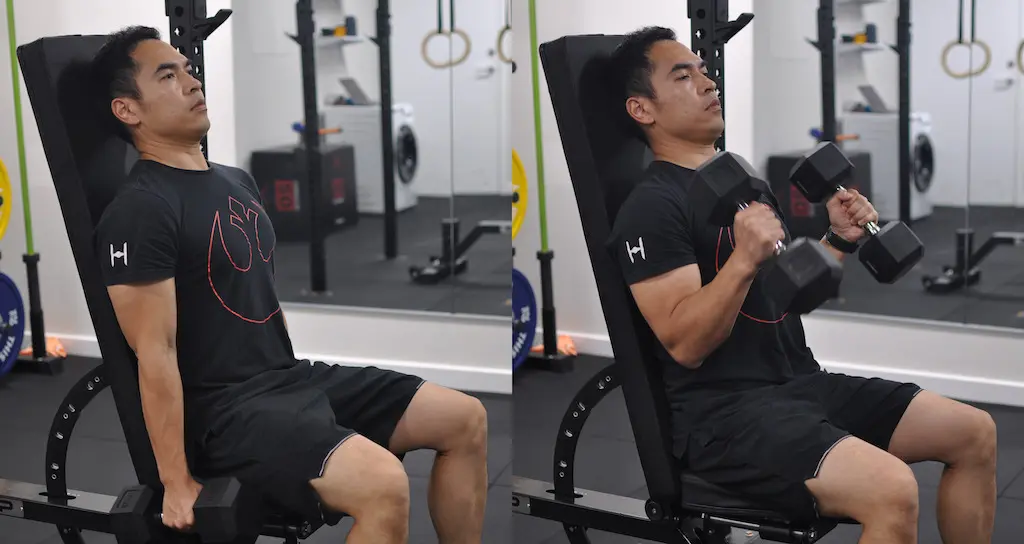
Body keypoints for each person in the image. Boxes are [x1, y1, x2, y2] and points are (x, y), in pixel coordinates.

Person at [90, 26, 488, 544]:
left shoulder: (235, 179)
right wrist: (175, 480)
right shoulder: (141, 210)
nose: (192, 82)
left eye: (188, 70)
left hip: (287, 379)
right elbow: (155, 352)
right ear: (129, 111)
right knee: (384, 485)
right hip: (226, 414)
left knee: (466, 418)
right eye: (168, 76)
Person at [606, 26, 997, 544]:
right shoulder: (652, 206)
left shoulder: (741, 180)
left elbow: (777, 301)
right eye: (684, 76)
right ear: (642, 110)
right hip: (723, 417)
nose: (708, 83)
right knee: (892, 489)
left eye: (704, 70)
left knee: (975, 433)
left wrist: (838, 239)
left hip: (798, 384)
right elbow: (685, 344)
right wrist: (743, 259)